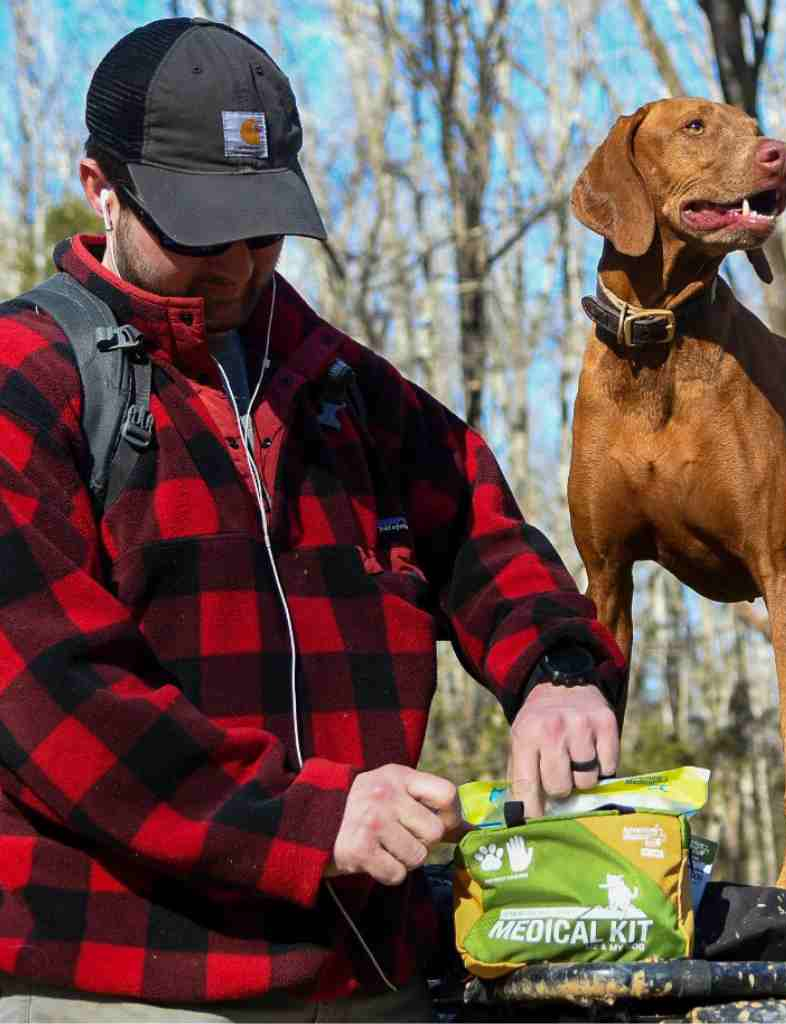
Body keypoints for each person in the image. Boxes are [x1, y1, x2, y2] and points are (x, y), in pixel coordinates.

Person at [0, 17, 625, 1023]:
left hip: (362, 970)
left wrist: (556, 672)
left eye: (261, 229)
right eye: (200, 229)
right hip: (119, 979)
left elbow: (478, 530)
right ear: (99, 187)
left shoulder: (335, 382)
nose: (239, 266)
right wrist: (305, 819)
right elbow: (59, 704)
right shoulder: (25, 385)